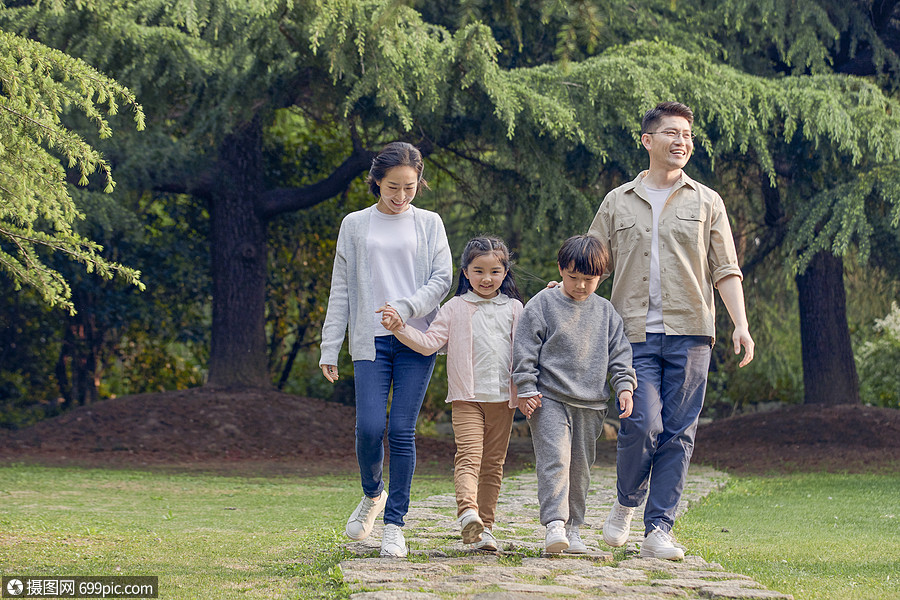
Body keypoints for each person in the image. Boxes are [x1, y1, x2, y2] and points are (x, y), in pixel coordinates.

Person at [590, 101, 755, 560]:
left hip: (691, 331)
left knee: (679, 432)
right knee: (641, 423)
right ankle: (626, 501)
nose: (682, 142)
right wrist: (565, 285)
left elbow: (725, 269)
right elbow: (594, 262)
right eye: (672, 133)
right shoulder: (617, 200)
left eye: (687, 135)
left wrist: (740, 325)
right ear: (647, 141)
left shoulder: (707, 201)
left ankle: (658, 527)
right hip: (632, 333)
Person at [319, 141, 452, 558]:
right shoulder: (355, 225)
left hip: (415, 340)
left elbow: (442, 278)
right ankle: (373, 493)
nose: (400, 197)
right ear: (376, 181)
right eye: (392, 187)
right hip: (370, 340)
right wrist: (329, 346)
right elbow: (341, 288)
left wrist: (405, 308)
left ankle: (395, 524)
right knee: (370, 429)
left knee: (400, 431)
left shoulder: (430, 223)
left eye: (409, 188)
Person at [381, 236, 524, 552]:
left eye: (495, 271)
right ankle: (467, 512)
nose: (487, 278)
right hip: (467, 398)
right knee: (469, 457)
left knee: (493, 465)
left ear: (505, 272)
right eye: (479, 271)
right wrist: (398, 327)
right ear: (465, 272)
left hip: (503, 401)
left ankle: (485, 528)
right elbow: (429, 342)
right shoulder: (454, 308)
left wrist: (555, 292)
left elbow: (530, 348)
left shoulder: (516, 309)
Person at [513, 235, 637, 554]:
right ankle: (555, 524)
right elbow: (525, 347)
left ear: (601, 276)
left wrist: (624, 386)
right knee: (556, 460)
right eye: (572, 278)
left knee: (579, 469)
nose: (580, 286)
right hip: (549, 399)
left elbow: (620, 353)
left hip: (592, 404)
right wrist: (526, 387)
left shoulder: (606, 312)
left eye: (589, 279)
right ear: (560, 269)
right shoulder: (543, 303)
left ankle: (574, 528)